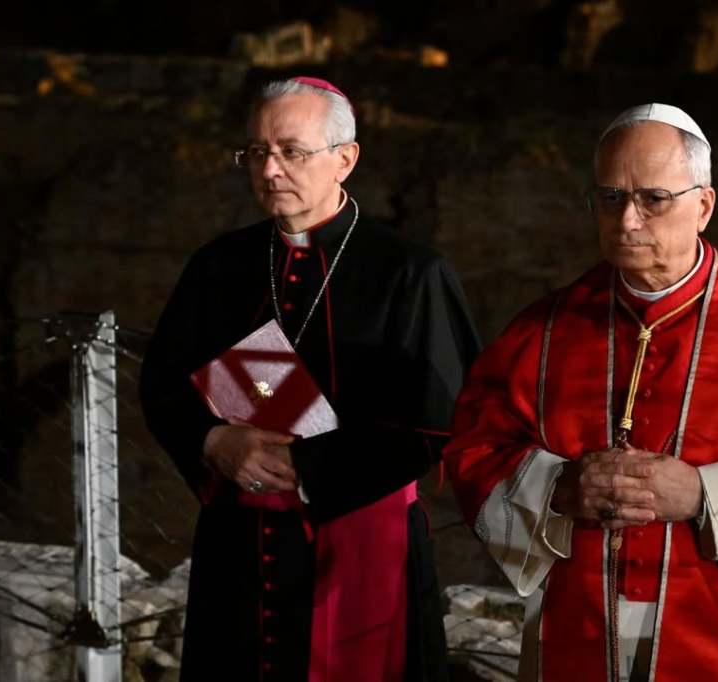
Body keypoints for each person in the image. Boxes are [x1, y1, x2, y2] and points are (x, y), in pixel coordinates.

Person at [444, 103, 718, 682]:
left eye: (654, 198)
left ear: (703, 205)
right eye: (610, 198)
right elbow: (476, 451)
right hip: (580, 618)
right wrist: (561, 486)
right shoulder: (544, 330)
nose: (628, 220)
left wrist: (706, 493)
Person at [140, 76, 479, 682]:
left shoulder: (410, 274)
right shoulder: (219, 265)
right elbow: (164, 381)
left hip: (360, 535)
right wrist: (213, 441)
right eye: (256, 152)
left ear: (344, 159)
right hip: (238, 540)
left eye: (291, 151)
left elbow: (442, 416)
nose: (270, 169)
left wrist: (311, 471)